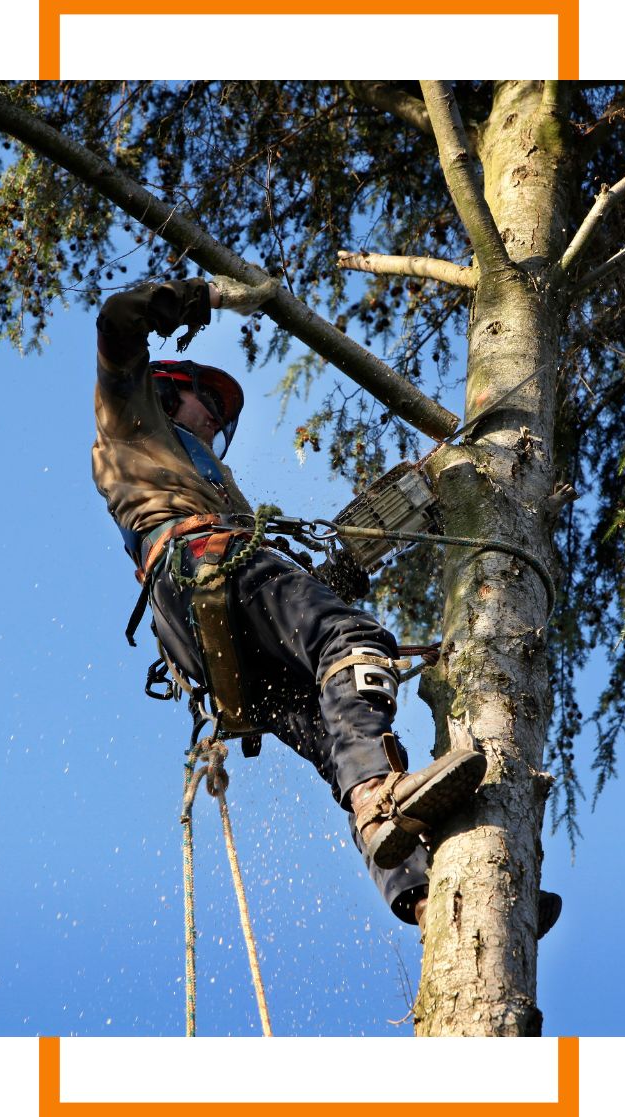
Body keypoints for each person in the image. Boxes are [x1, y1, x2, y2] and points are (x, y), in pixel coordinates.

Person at [91, 271, 492, 930]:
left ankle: (429, 899)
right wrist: (203, 297)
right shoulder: (131, 418)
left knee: (340, 741)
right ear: (165, 392)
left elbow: (284, 610)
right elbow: (116, 321)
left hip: (210, 635)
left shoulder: (213, 486)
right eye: (207, 408)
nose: (216, 425)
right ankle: (380, 796)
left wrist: (345, 564)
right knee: (355, 641)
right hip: (199, 566)